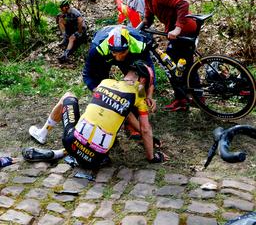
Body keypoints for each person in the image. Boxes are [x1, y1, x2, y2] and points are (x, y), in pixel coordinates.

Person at [23, 60, 169, 169]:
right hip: (98, 158)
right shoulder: (137, 98)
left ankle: (44, 135)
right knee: (96, 135)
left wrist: (148, 137)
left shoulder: (105, 82)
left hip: (71, 142)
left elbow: (126, 114)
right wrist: (152, 157)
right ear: (142, 80)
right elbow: (144, 128)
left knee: (68, 96)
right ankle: (59, 153)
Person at [134, 0, 198, 111]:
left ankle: (189, 98)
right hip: (177, 30)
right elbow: (148, 18)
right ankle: (186, 98)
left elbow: (183, 4)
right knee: (180, 65)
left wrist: (178, 29)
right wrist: (135, 29)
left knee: (174, 65)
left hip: (185, 29)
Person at [82, 24, 157, 139]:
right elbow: (87, 74)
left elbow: (149, 71)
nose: (118, 57)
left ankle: (133, 120)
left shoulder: (139, 44)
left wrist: (149, 94)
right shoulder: (97, 49)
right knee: (102, 88)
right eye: (115, 53)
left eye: (122, 52)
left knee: (137, 80)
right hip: (104, 55)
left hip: (130, 56)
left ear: (129, 46)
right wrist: (95, 89)